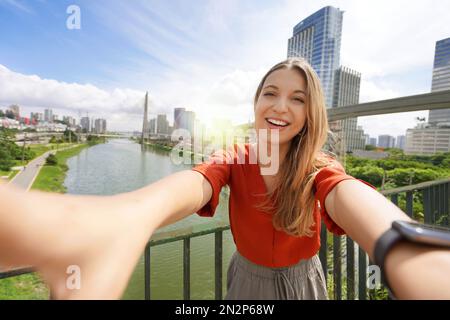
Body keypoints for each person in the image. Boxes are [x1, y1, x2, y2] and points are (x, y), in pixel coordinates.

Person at [0, 58, 449, 300]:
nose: (280, 106)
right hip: (247, 280)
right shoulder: (236, 156)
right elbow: (198, 180)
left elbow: (349, 197)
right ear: (255, 103)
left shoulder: (319, 166)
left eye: (297, 98)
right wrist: (126, 218)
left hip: (304, 280)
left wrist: (407, 247)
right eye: (270, 93)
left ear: (310, 113)